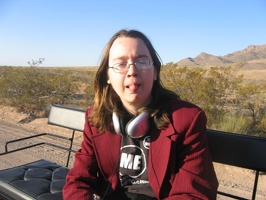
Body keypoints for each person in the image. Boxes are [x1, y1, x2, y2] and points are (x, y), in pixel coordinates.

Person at [63, 29, 218, 200]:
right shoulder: (96, 118)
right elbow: (78, 180)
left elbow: (194, 193)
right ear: (108, 75)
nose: (132, 71)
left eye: (142, 61)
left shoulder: (186, 119)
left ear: (155, 72)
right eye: (120, 64)